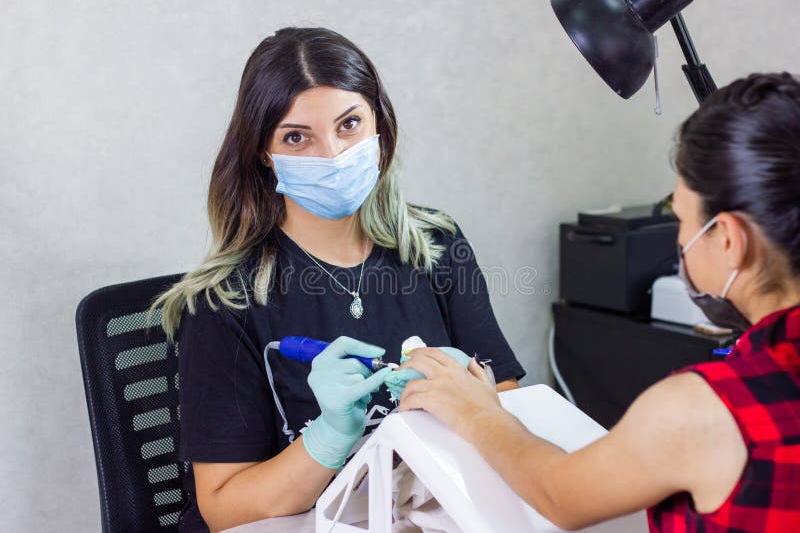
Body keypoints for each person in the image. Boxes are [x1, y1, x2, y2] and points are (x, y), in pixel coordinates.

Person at [152, 27, 525, 532]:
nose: (331, 154)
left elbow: (505, 399)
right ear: (264, 152)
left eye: (349, 124)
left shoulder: (436, 245)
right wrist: (328, 437)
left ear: (379, 126)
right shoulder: (222, 302)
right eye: (297, 137)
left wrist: (466, 394)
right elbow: (223, 508)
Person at [397, 72, 800, 532]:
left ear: (728, 239)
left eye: (682, 219)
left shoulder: (701, 410)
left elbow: (559, 494)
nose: (680, 240)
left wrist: (474, 411)